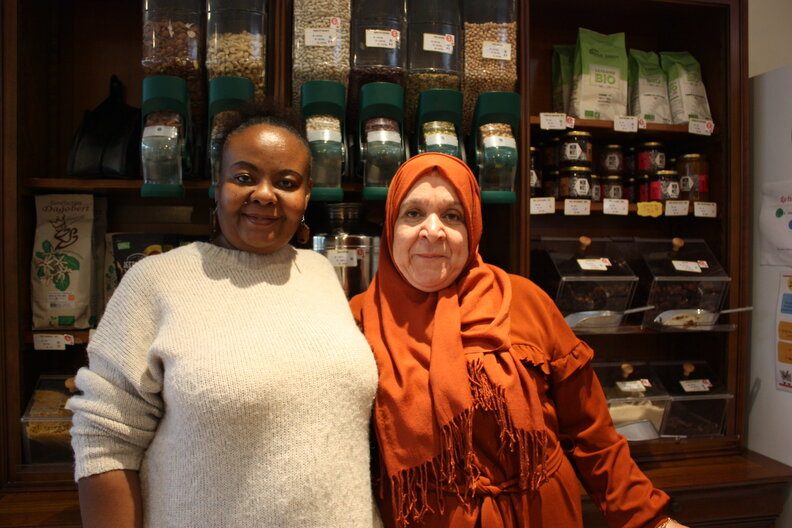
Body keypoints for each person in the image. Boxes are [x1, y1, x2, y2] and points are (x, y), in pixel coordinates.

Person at [67, 103, 381, 528]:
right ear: (218, 184)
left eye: (286, 182)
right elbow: (104, 439)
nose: (265, 194)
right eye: (244, 177)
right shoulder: (156, 280)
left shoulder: (321, 273)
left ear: (306, 195)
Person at [349, 152, 688, 528]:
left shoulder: (525, 301)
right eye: (413, 214)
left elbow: (591, 434)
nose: (433, 231)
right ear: (391, 226)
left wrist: (650, 520)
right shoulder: (358, 318)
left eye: (452, 215)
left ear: (473, 228)